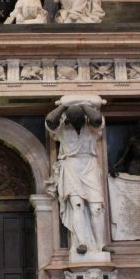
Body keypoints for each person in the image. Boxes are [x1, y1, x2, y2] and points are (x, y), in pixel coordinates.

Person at [46, 95, 109, 255]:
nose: (75, 121)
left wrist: (82, 104)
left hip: (89, 164)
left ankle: (101, 244)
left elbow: (97, 119)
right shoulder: (62, 128)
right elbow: (50, 121)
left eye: (78, 118)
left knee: (96, 208)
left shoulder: (92, 127)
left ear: (83, 117)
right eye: (72, 118)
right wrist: (64, 106)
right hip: (71, 166)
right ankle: (81, 242)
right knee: (77, 205)